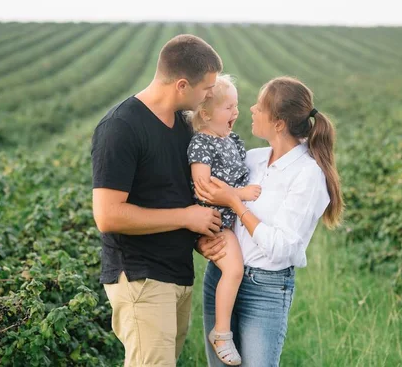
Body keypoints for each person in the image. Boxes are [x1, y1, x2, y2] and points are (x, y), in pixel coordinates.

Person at [91, 34, 225, 367]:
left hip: (176, 274)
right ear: (182, 85)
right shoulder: (121, 128)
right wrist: (185, 218)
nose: (211, 94)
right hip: (141, 276)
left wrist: (199, 234)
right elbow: (108, 216)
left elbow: (173, 195)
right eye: (207, 87)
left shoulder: (182, 126)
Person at [195, 76, 344, 367]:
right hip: (221, 275)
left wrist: (236, 203)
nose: (250, 110)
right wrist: (204, 242)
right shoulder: (253, 158)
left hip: (265, 290)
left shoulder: (308, 175)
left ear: (278, 123)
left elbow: (282, 248)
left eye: (259, 107)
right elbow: (212, 202)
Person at [186, 74, 262, 365]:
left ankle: (225, 328)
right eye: (228, 107)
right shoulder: (203, 144)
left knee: (234, 270)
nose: (236, 112)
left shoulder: (233, 141)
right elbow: (204, 188)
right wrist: (239, 194)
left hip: (230, 220)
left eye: (236, 106)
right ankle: (221, 332)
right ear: (206, 114)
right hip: (215, 223)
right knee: (233, 270)